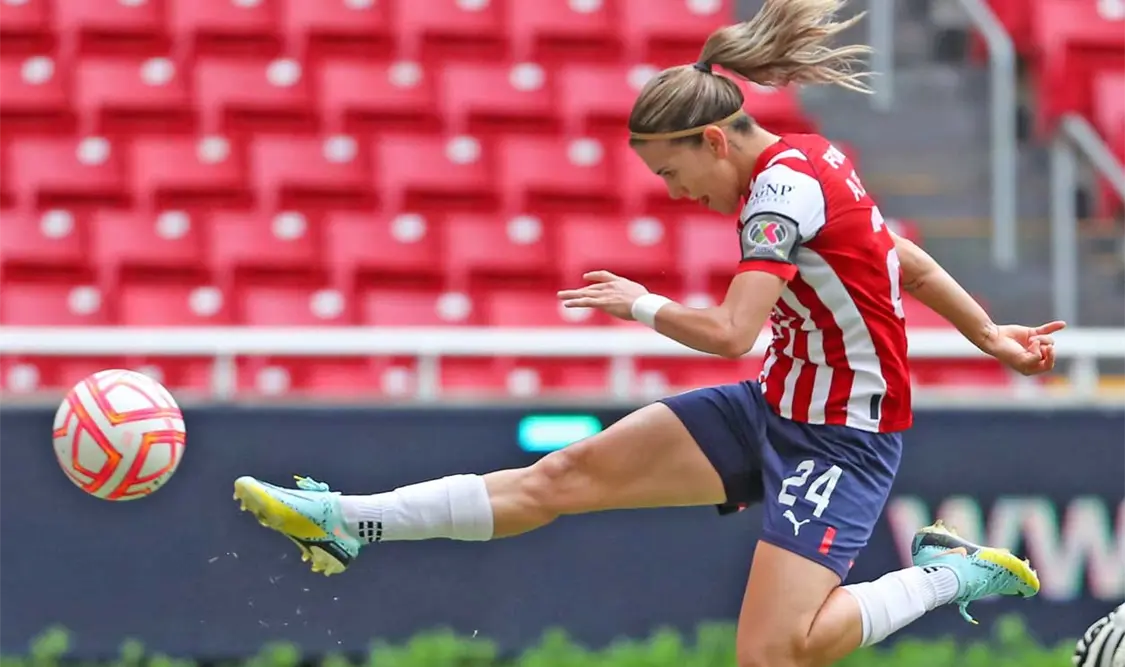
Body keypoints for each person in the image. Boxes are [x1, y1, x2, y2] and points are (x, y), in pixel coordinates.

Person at [232, 1, 1064, 665]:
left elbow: (733, 329)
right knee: (560, 477)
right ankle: (349, 518)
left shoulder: (779, 194)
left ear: (712, 139)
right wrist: (986, 334)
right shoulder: (814, 160)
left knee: (777, 653)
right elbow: (902, 261)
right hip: (774, 405)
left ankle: (945, 571)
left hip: (842, 438)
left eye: (672, 172)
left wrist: (639, 304)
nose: (672, 192)